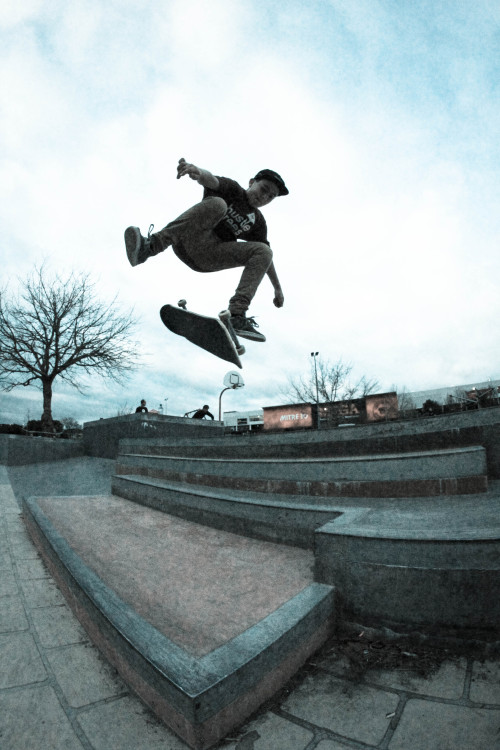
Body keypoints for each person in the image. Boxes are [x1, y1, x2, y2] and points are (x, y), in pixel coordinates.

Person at [124, 158, 289, 342]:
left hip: (209, 257)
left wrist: (277, 289)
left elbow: (266, 259)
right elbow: (212, 181)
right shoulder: (233, 190)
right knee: (218, 204)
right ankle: (150, 247)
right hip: (189, 240)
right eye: (263, 189)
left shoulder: (258, 222)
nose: (264, 197)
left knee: (264, 251)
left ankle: (237, 315)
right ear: (252, 182)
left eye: (270, 197)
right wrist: (198, 173)